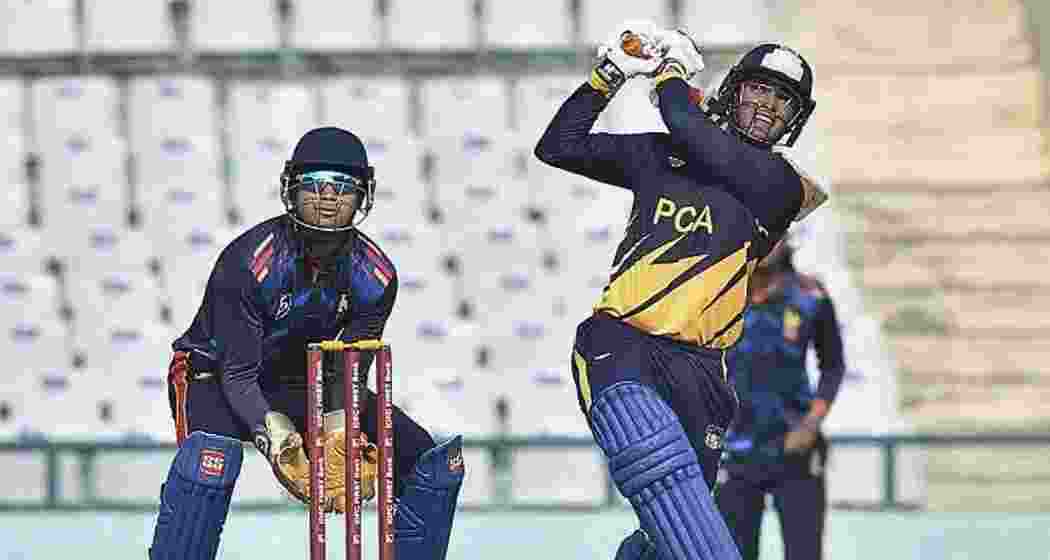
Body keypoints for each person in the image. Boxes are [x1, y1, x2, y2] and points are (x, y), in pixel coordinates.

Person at [534, 21, 826, 560]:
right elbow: (558, 146)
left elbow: (693, 131)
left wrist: (671, 74)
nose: (767, 106)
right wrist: (610, 74)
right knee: (659, 469)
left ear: (795, 119)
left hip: (703, 371)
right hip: (622, 344)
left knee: (675, 535)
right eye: (759, 89)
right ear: (734, 91)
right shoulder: (662, 153)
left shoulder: (781, 187)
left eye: (782, 100)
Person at [148, 127, 464, 560]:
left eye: (344, 187)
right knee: (210, 462)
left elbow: (348, 371)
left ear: (364, 196)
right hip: (212, 375)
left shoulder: (375, 278)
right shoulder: (249, 263)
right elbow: (237, 374)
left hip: (300, 379)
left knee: (432, 463)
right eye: (314, 184)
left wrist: (339, 435)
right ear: (290, 191)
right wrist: (281, 445)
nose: (329, 197)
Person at [716, 238, 846, 560]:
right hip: (736, 452)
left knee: (804, 553)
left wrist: (812, 423)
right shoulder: (718, 296)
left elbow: (833, 365)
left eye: (776, 231)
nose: (767, 241)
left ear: (787, 239)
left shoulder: (810, 296)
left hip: (795, 448)